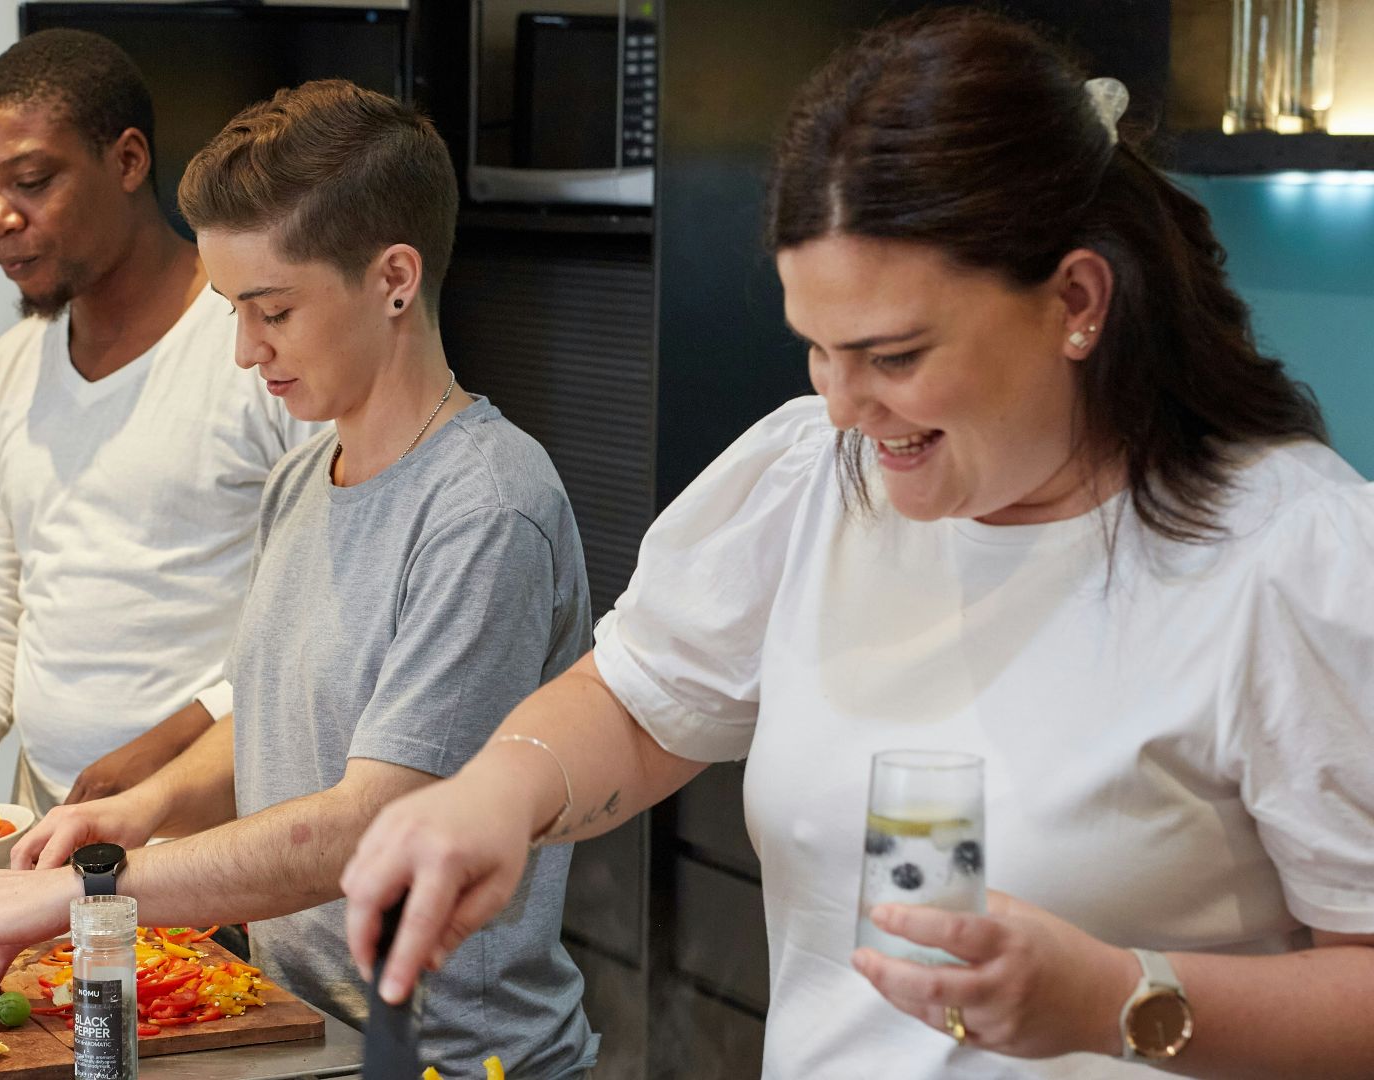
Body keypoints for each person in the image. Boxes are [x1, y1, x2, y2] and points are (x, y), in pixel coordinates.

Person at [342, 11, 1374, 1079]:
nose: (842, 410)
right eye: (819, 352)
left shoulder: (1292, 559)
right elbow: (640, 701)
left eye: (893, 355)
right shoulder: (816, 479)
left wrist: (1121, 999)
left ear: (1076, 300)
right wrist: (497, 793)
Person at [0, 80, 601, 1078]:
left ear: (394, 278)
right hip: (301, 1025)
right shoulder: (301, 477)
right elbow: (283, 713)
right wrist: (147, 804)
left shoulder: (485, 508)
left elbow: (371, 819)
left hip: (454, 1056)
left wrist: (97, 890)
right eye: (235, 310)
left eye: (272, 310)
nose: (244, 349)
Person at [0, 29, 317, 813]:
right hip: (51, 823)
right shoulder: (8, 374)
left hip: (224, 828)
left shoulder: (259, 352)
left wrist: (174, 744)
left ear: (128, 161)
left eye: (30, 181)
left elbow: (320, 624)